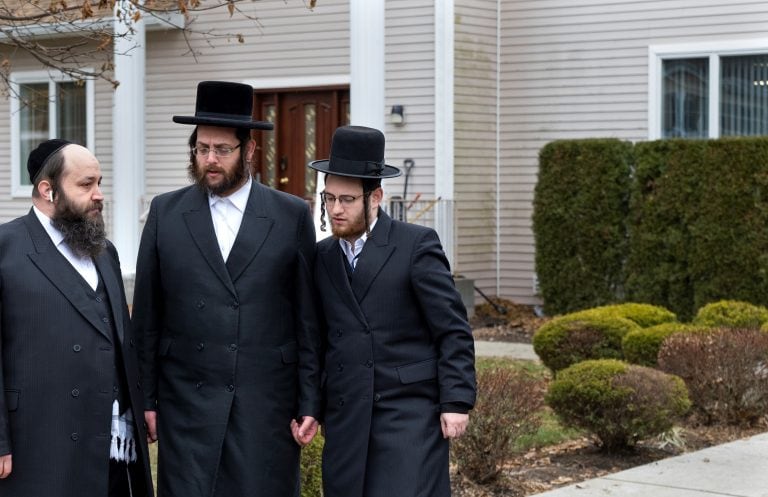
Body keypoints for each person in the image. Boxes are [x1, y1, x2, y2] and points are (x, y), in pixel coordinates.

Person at [132, 81, 322, 497]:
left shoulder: (290, 215)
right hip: (187, 403)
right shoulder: (166, 212)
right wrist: (145, 398)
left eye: (222, 150)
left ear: (249, 151)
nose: (210, 160)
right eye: (202, 149)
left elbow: (307, 319)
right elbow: (146, 316)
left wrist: (310, 401)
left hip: (264, 403)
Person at [299, 125, 477, 497]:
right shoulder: (322, 257)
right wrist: (311, 405)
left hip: (407, 415)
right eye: (329, 198)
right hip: (346, 416)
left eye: (346, 200)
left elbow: (452, 330)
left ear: (375, 196)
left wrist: (456, 401)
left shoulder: (415, 246)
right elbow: (314, 340)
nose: (335, 209)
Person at [0, 140, 153, 497]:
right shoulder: (6, 248)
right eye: (86, 185)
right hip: (38, 442)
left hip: (113, 444)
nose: (99, 195)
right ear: (47, 190)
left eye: (99, 182)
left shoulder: (105, 250)